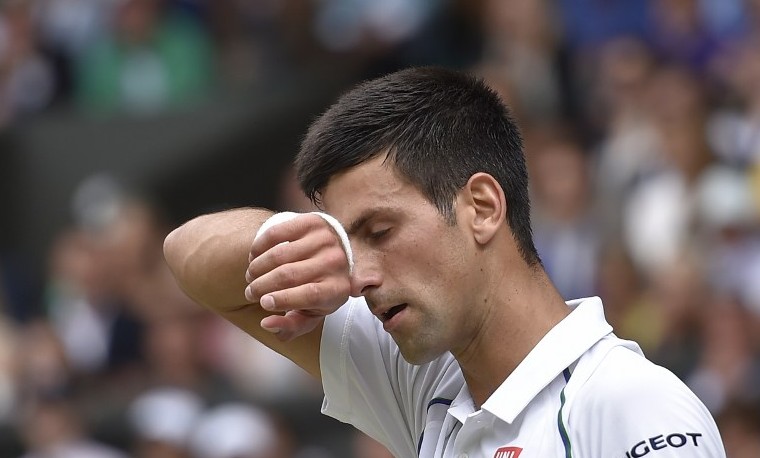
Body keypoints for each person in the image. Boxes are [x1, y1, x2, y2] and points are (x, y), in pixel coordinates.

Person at [163, 67, 726, 457]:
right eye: (346, 243)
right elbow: (186, 254)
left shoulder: (633, 406)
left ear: (481, 207)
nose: (358, 277)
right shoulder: (424, 380)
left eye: (378, 231)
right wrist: (292, 239)